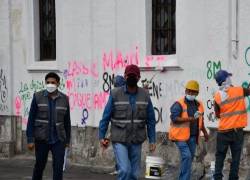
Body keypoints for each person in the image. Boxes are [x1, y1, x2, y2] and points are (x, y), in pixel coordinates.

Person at [99, 64, 156, 180]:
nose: (131, 78)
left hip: (136, 139)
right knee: (125, 170)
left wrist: (152, 139)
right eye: (128, 75)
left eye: (133, 76)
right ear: (124, 77)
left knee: (134, 174)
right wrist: (102, 136)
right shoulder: (115, 94)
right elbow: (106, 116)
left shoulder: (145, 95)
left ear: (138, 78)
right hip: (120, 139)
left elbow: (150, 119)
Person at [26, 72, 71, 180]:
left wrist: (67, 141)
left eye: (53, 82)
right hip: (42, 139)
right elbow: (31, 119)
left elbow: (67, 122)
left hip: (58, 140)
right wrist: (30, 139)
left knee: (58, 168)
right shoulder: (37, 97)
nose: (50, 84)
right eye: (48, 82)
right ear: (45, 83)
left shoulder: (64, 99)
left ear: (58, 84)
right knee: (39, 166)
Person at [169, 80, 209, 180]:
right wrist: (189, 119)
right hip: (179, 137)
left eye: (193, 91)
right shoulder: (179, 104)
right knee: (187, 156)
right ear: (186, 90)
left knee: (188, 160)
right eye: (189, 91)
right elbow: (174, 118)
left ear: (197, 93)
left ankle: (183, 178)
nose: (190, 93)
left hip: (192, 137)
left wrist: (204, 132)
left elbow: (201, 120)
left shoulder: (199, 105)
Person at [213, 70, 249, 180]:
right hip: (236, 132)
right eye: (229, 76)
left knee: (220, 157)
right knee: (236, 158)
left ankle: (217, 177)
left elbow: (218, 114)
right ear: (226, 79)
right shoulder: (239, 90)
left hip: (223, 132)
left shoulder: (217, 96)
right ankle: (233, 178)